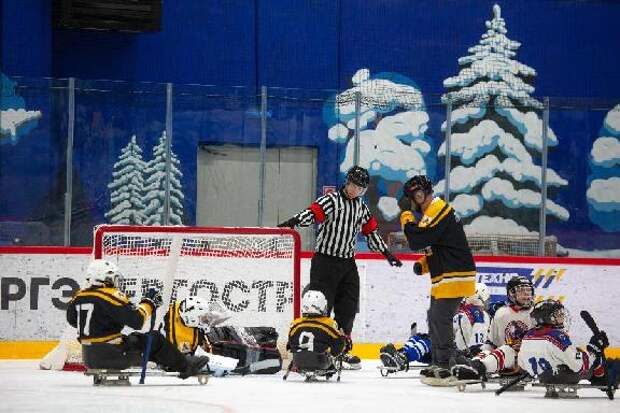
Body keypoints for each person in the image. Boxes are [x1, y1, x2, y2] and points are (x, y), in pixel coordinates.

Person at [278, 165, 402, 369]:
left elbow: (371, 232)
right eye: (353, 185)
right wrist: (294, 221)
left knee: (348, 307)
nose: (355, 190)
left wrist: (386, 253)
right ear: (347, 182)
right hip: (325, 261)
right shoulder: (332, 200)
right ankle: (316, 349)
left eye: (360, 188)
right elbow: (313, 213)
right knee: (320, 306)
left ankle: (341, 350)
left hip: (347, 264)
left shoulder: (361, 208)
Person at [66, 259, 209, 378]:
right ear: (105, 277)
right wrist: (149, 303)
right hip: (113, 355)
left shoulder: (78, 296)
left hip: (89, 357)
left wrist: (104, 324)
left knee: (137, 338)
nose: (116, 282)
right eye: (114, 277)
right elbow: (137, 320)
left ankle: (171, 362)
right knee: (155, 338)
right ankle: (185, 366)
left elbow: (73, 320)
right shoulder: (110, 295)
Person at [399, 175, 476, 381]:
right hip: (447, 276)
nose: (412, 202)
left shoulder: (437, 208)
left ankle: (445, 363)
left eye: (411, 197)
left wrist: (406, 216)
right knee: (434, 316)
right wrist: (424, 264)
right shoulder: (434, 212)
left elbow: (417, 240)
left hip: (455, 276)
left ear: (419, 195)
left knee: (440, 317)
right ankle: (442, 360)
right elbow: (440, 243)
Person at [379, 283, 490, 371]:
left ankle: (403, 358)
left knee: (430, 341)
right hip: (452, 354)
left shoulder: (474, 313)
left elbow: (476, 342)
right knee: (420, 338)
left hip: (457, 355)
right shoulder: (471, 312)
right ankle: (400, 355)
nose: (487, 303)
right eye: (486, 299)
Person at [162, 296, 282, 375]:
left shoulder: (179, 308)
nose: (206, 320)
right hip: (201, 347)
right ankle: (270, 358)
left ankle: (268, 351)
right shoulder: (181, 341)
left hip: (202, 337)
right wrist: (230, 365)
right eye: (203, 318)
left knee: (264, 336)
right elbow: (190, 360)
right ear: (191, 319)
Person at [517, 299, 619, 388]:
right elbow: (578, 365)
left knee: (577, 353)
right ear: (549, 318)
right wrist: (593, 350)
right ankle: (606, 378)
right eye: (558, 315)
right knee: (610, 364)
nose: (562, 318)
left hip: (543, 377)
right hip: (563, 376)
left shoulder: (528, 335)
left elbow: (522, 364)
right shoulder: (557, 337)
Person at [451, 276, 536, 380]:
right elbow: (491, 343)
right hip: (505, 360)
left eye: (528, 291)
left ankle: (478, 369)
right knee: (488, 351)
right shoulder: (501, 314)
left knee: (507, 349)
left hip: (528, 360)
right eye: (522, 291)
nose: (527, 295)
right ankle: (472, 366)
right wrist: (479, 354)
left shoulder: (536, 314)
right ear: (512, 294)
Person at [287, 290, 348, 372]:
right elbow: (338, 344)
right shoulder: (329, 323)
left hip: (298, 362)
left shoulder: (295, 323)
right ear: (322, 306)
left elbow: (289, 345)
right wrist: (343, 339)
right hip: (321, 363)